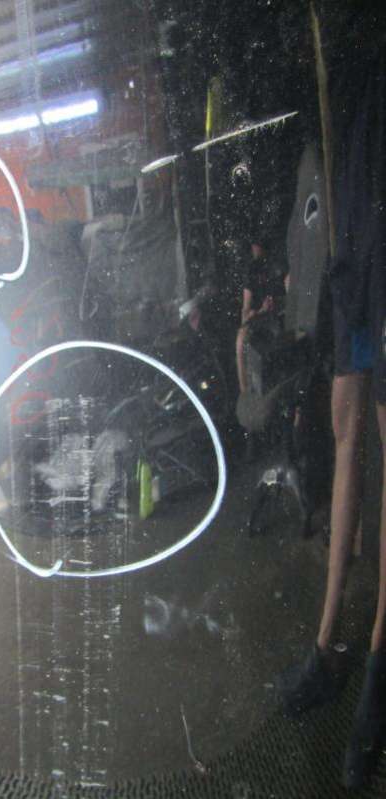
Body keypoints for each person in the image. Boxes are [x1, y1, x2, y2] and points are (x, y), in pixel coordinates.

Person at [278, 53, 386, 790]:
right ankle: (325, 646)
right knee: (345, 422)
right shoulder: (335, 55)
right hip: (352, 240)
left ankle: (378, 660)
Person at [235, 241, 286, 394]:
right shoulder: (251, 270)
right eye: (253, 245)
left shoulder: (279, 265)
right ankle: (245, 391)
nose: (255, 249)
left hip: (280, 315)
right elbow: (245, 309)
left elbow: (292, 293)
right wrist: (255, 314)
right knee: (241, 340)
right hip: (260, 318)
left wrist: (277, 303)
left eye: (257, 245)